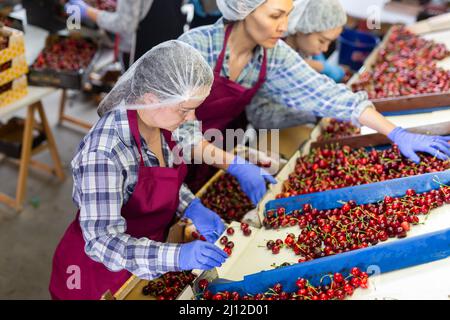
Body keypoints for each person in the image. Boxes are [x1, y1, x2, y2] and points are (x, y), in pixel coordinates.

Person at [48, 40, 272, 300]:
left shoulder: (160, 122)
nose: (191, 118)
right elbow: (103, 242)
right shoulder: (105, 153)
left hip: (149, 260)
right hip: (98, 276)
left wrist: (191, 206)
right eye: (185, 110)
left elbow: (161, 180)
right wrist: (178, 255)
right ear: (151, 98)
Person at [177, 0, 449, 189]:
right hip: (161, 150)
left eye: (287, 14)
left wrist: (396, 133)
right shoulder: (195, 49)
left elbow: (327, 94)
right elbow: (178, 131)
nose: (284, 26)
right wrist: (235, 164)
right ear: (243, 9)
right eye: (275, 16)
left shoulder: (271, 54)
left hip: (213, 145)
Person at [66, 0, 185, 69]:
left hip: (142, 49)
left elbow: (124, 24)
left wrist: (88, 11)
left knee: (139, 99)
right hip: (171, 40)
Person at [284, 0, 347, 83]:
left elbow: (337, 74)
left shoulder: (308, 50)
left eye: (330, 42)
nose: (325, 49)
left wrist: (317, 65)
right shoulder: (280, 58)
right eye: (321, 41)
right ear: (301, 29)